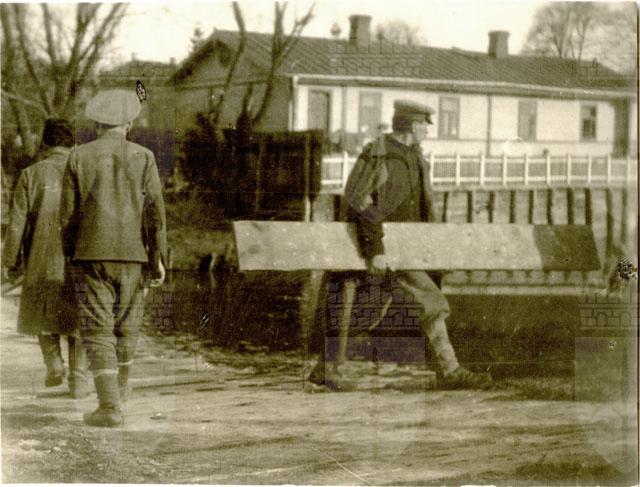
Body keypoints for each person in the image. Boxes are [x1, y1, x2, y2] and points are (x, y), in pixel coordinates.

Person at [309, 100, 491, 391]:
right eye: (425, 126)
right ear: (413, 125)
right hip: (377, 249)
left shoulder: (415, 156)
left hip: (409, 250)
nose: (427, 131)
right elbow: (358, 199)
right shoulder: (379, 153)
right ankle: (449, 370)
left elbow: (423, 206)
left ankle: (327, 369)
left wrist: (432, 250)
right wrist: (375, 249)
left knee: (409, 305)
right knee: (401, 306)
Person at [60, 88, 167, 427]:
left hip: (90, 255)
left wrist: (70, 254)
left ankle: (109, 407)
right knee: (127, 325)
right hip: (135, 256)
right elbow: (155, 214)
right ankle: (119, 392)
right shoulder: (145, 157)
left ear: (96, 123)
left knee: (97, 329)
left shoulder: (78, 157)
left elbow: (67, 216)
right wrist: (157, 258)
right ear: (129, 124)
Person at [2, 118, 90, 398]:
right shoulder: (85, 172)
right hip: (79, 256)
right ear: (72, 143)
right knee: (79, 316)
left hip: (41, 254)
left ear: (45, 143)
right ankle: (79, 378)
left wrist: (10, 262)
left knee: (41, 310)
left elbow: (17, 223)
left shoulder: (31, 175)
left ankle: (53, 363)